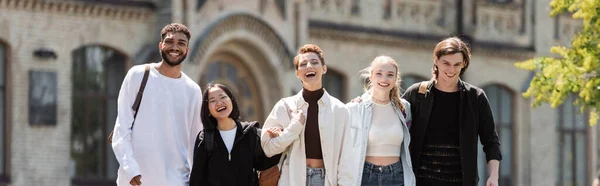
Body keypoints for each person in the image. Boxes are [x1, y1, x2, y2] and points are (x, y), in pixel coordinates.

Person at [402, 37, 502, 186]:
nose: (451, 70)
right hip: (420, 181)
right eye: (446, 63)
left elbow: (491, 141)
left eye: (457, 64)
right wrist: (363, 103)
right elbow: (392, 119)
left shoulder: (475, 97)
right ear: (436, 60)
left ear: (464, 64)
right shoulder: (417, 94)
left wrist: (494, 176)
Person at [111, 23, 202, 186]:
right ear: (161, 45)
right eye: (169, 41)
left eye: (181, 43)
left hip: (177, 181)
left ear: (187, 50)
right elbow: (121, 128)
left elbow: (196, 142)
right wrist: (130, 169)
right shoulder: (138, 75)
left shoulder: (193, 91)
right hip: (136, 180)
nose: (174, 47)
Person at [260, 44, 354, 186]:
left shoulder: (340, 110)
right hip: (291, 179)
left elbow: (346, 158)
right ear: (297, 73)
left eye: (314, 62)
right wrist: (293, 128)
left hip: (326, 181)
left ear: (324, 68)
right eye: (303, 64)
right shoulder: (285, 106)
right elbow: (268, 148)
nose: (309, 66)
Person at [189, 83, 281, 186]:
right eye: (213, 101)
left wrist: (277, 140)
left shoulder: (251, 133)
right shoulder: (205, 139)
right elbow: (196, 180)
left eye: (223, 97)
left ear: (231, 100)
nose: (219, 102)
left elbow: (266, 164)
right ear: (208, 109)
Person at [346, 55, 416, 186]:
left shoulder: (404, 108)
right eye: (379, 73)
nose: (384, 79)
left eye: (390, 75)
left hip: (397, 175)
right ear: (371, 77)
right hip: (365, 176)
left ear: (396, 79)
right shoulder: (355, 108)